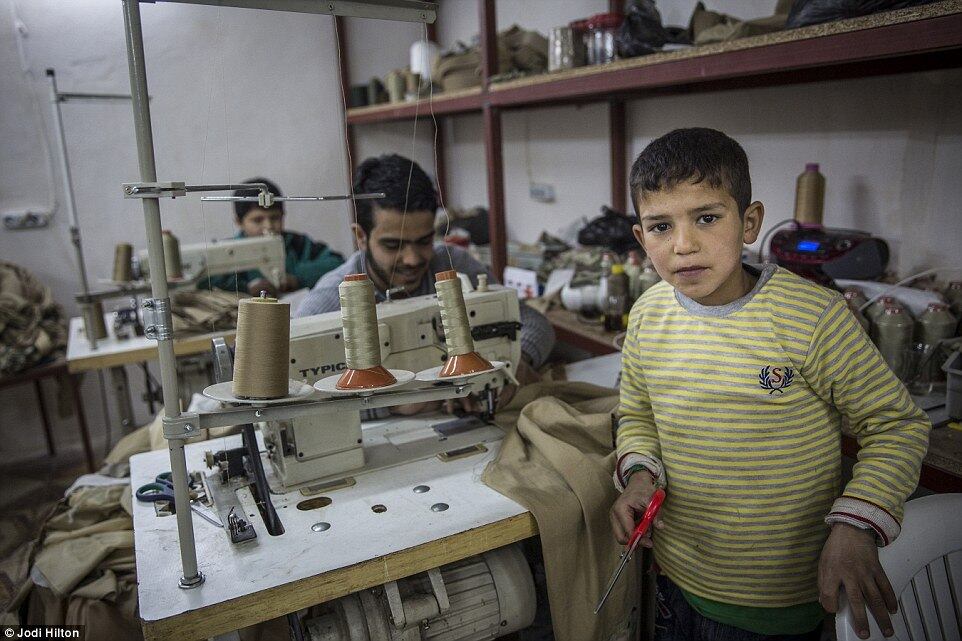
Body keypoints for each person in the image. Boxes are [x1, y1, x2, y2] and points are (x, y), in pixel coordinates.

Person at [609, 128, 930, 641]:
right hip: (676, 575)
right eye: (661, 226)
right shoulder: (648, 315)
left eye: (707, 218)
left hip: (779, 598)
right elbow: (638, 415)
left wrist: (855, 525)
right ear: (640, 237)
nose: (684, 245)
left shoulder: (812, 318)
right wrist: (641, 476)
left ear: (750, 222)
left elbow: (896, 425)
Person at [295, 154, 555, 412]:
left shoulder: (453, 265)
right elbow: (295, 397)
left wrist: (515, 360)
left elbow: (534, 324)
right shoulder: (328, 302)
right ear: (361, 236)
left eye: (423, 241)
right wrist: (394, 404)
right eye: (393, 245)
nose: (412, 259)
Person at [207, 178, 344, 296]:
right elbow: (205, 282)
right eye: (258, 220)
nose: (269, 226)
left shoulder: (298, 244)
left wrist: (297, 278)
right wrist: (246, 288)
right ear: (239, 222)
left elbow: (336, 263)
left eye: (275, 218)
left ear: (283, 215)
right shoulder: (227, 252)